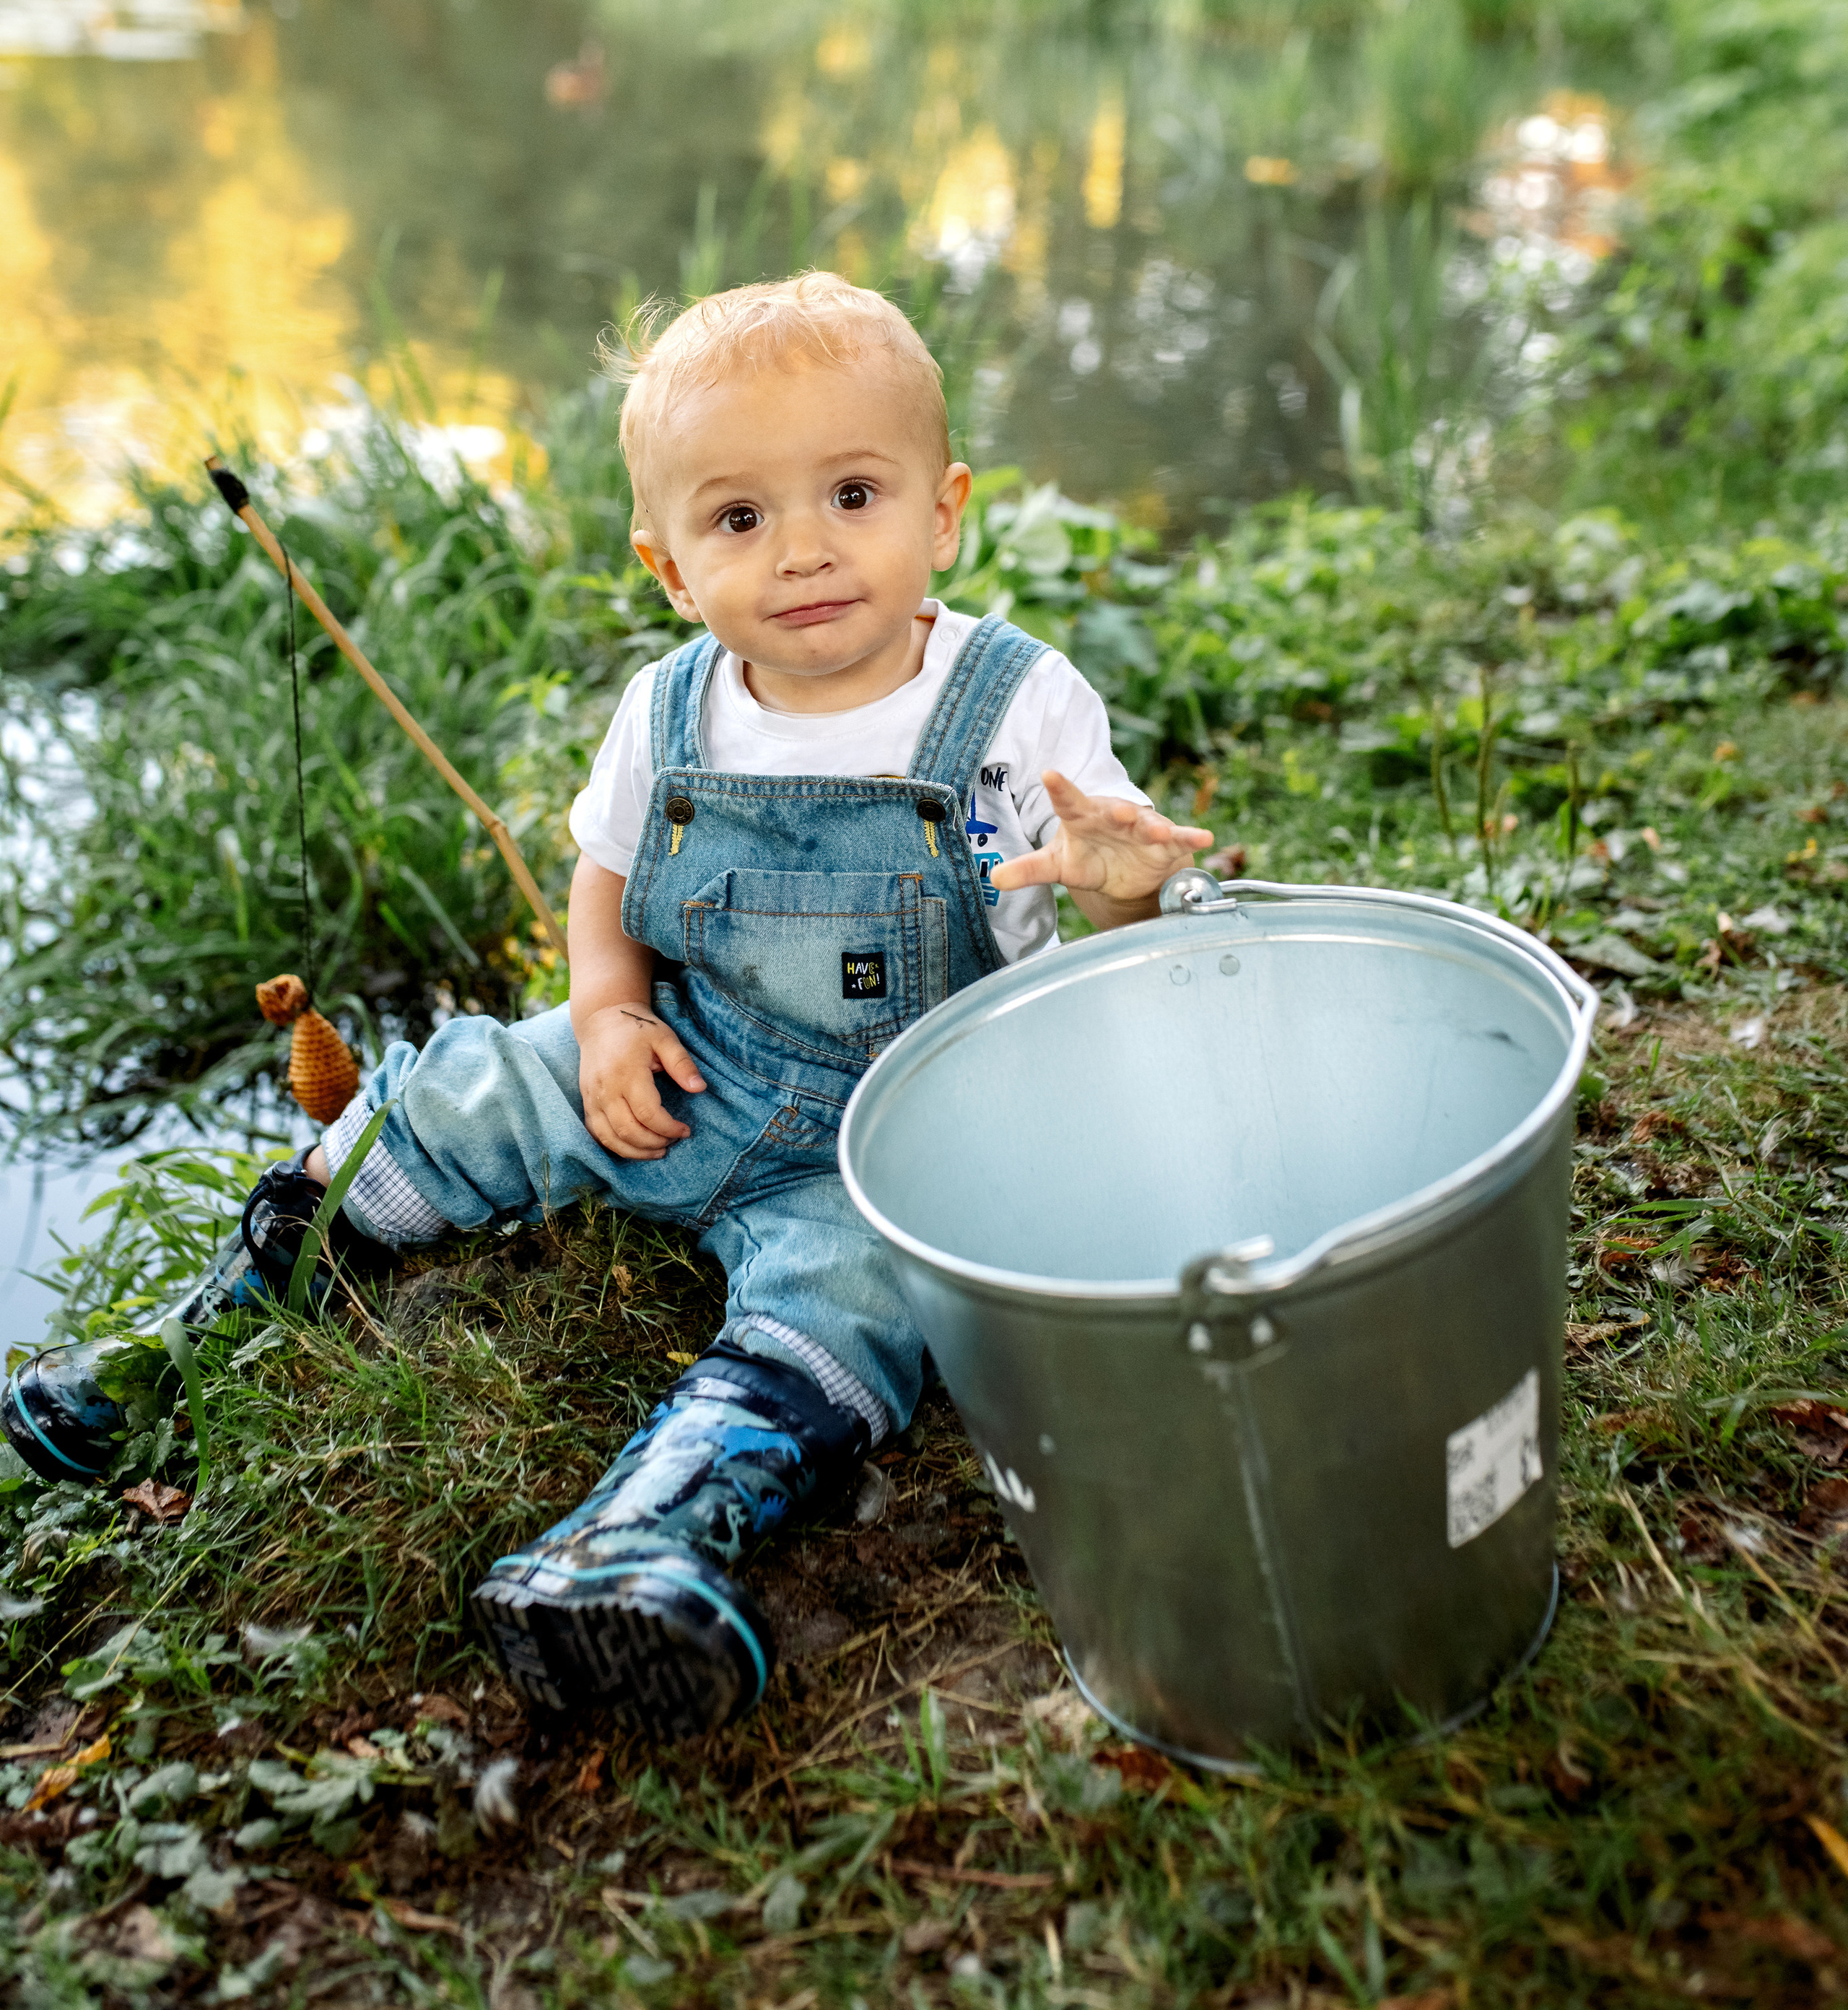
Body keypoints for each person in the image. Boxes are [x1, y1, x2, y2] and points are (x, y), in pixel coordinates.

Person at [5, 275, 1208, 1737]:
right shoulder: (672, 709)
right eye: (739, 519)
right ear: (666, 563)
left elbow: (1113, 938)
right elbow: (606, 875)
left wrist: (1116, 883)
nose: (804, 550)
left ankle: (643, 1530)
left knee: (870, 1305)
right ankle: (202, 1327)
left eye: (850, 492)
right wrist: (603, 1017)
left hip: (907, 1139)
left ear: (941, 511)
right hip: (691, 1062)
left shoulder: (1014, 704)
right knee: (463, 1085)